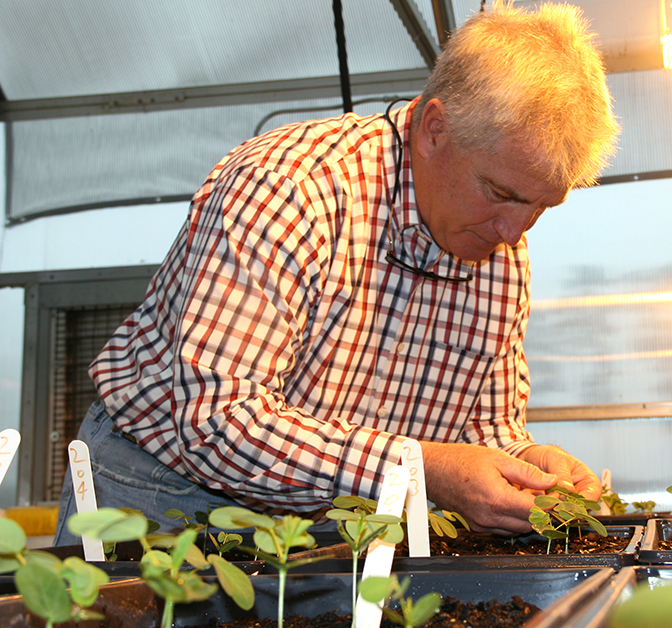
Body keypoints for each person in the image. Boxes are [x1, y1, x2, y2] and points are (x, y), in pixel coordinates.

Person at [54, 1, 619, 545]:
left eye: (542, 208)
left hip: (328, 521)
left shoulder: (498, 250)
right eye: (499, 193)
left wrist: (525, 464)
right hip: (160, 494)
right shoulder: (292, 190)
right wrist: (422, 466)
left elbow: (484, 427)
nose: (514, 233)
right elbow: (216, 421)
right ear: (434, 129)